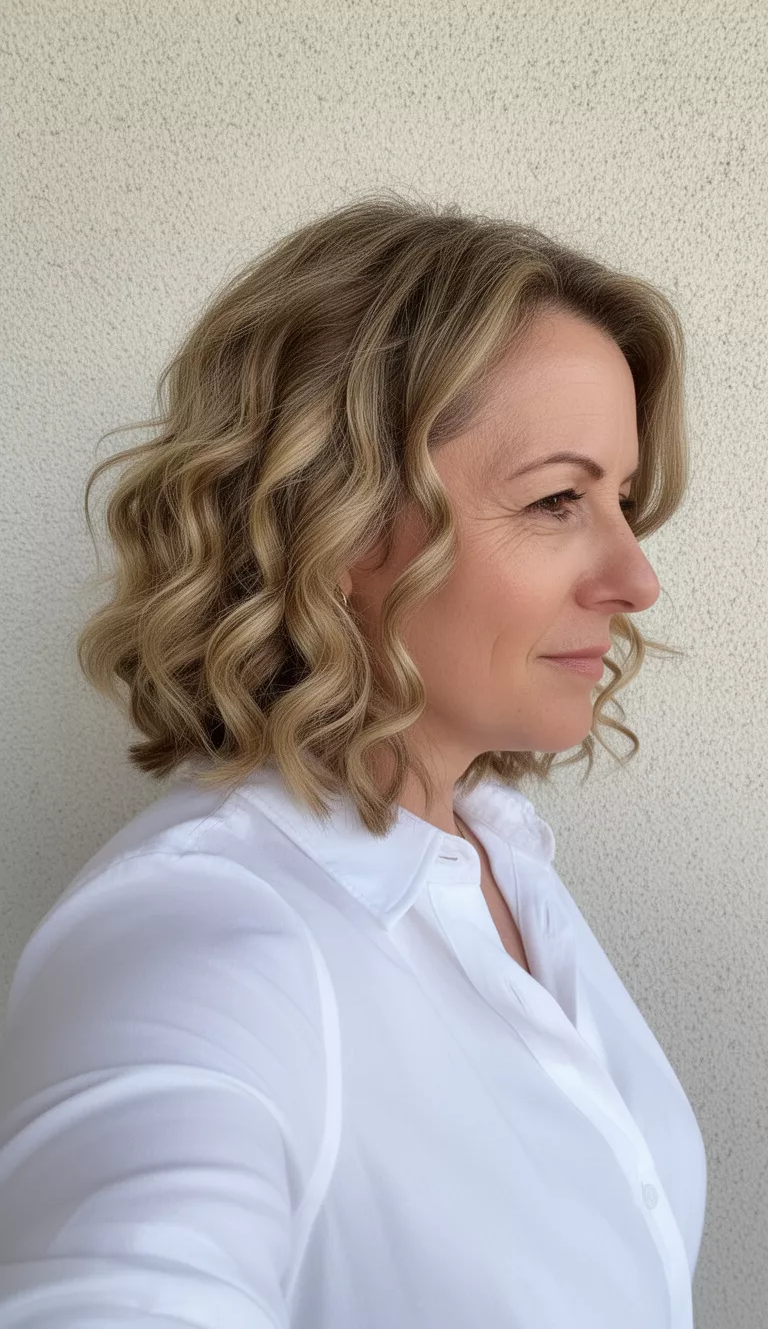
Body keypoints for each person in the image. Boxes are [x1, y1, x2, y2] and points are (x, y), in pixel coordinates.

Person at [0, 193, 707, 1328]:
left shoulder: (497, 857)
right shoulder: (199, 933)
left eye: (620, 500)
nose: (637, 579)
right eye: (556, 499)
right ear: (335, 524)